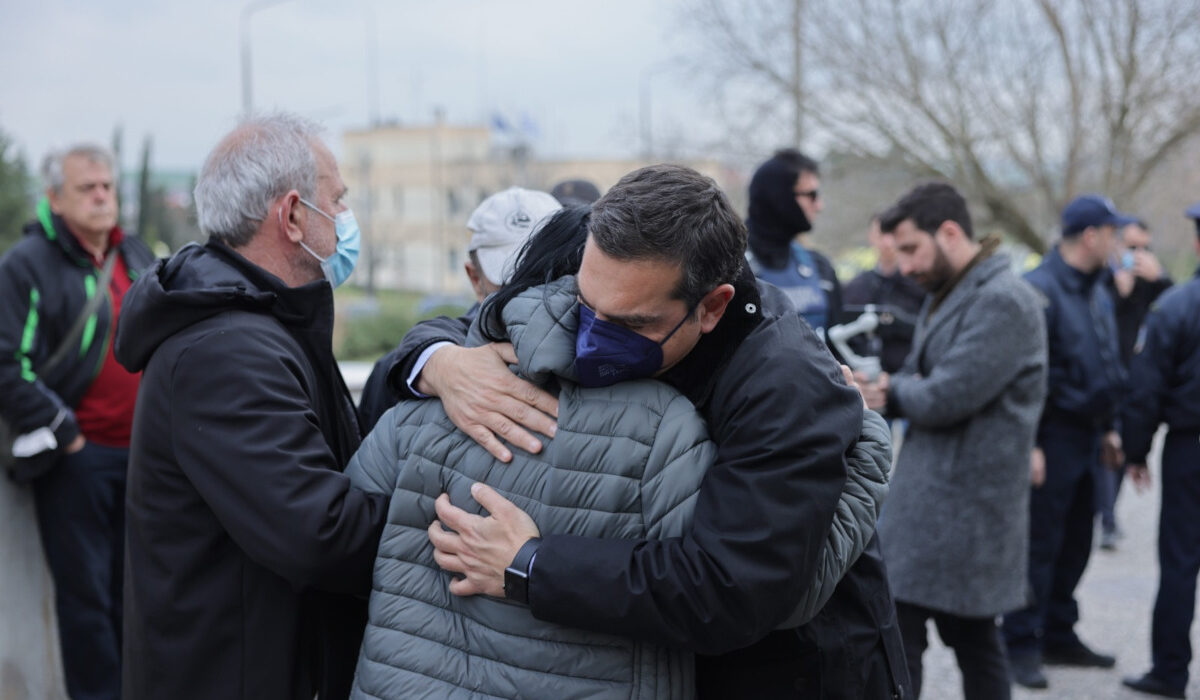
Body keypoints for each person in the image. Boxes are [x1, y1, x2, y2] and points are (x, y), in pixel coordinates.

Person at [344, 206, 894, 698]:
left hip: (805, 668)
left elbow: (741, 588)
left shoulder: (771, 384)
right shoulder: (659, 425)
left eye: (632, 321)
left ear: (709, 308)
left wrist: (529, 563)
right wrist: (434, 356)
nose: (597, 337)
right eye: (587, 308)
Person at [113, 114, 389, 700]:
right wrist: (448, 524)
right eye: (336, 200)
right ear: (292, 216)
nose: (345, 218)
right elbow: (317, 532)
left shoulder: (261, 324)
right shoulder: (227, 352)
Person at [858, 183, 1047, 699]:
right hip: (939, 507)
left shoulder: (1004, 301)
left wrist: (889, 390)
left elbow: (947, 395)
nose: (906, 266)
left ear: (949, 232)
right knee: (924, 638)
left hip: (965, 511)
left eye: (913, 250)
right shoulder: (959, 291)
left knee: (961, 642)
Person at [0, 144, 154, 700]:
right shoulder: (26, 266)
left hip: (144, 459)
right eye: (86, 187)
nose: (100, 196)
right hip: (77, 464)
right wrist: (67, 435)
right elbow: (4, 363)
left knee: (136, 597)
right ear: (54, 198)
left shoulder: (135, 254)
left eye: (107, 186)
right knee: (86, 603)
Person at [1002, 194, 1132, 689]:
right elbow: (1025, 377)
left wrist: (1111, 427)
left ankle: (1058, 632)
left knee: (1077, 541)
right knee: (1038, 543)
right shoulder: (1039, 289)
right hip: (1049, 438)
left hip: (1088, 438)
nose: (1117, 241)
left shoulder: (1095, 290)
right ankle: (1019, 642)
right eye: (1112, 232)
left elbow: (1105, 364)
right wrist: (1031, 442)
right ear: (1091, 236)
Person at [356, 186, 560, 430]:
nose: (527, 292)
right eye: (510, 281)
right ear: (475, 279)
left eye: (542, 275)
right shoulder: (399, 372)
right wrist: (437, 363)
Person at [1120, 203, 1200, 700]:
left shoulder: (1176, 306)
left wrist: (1136, 449)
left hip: (1191, 448)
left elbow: (1145, 388)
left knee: (1179, 561)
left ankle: (1170, 672)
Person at [1096, 219, 1173, 550]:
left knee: (1124, 450)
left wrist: (1161, 280)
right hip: (1104, 379)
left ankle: (1109, 512)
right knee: (1105, 447)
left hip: (1135, 380)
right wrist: (1117, 291)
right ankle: (1106, 518)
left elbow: (1178, 313)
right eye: (1132, 248)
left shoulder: (1154, 282)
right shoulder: (1100, 279)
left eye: (1145, 248)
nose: (1138, 255)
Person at [745, 149, 842, 337]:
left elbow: (838, 345)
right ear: (780, 197)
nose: (819, 206)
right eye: (811, 195)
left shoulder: (820, 268)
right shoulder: (729, 269)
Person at [842, 213, 927, 374]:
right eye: (881, 234)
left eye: (893, 234)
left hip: (911, 376)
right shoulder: (856, 287)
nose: (887, 243)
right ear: (871, 237)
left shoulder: (921, 284)